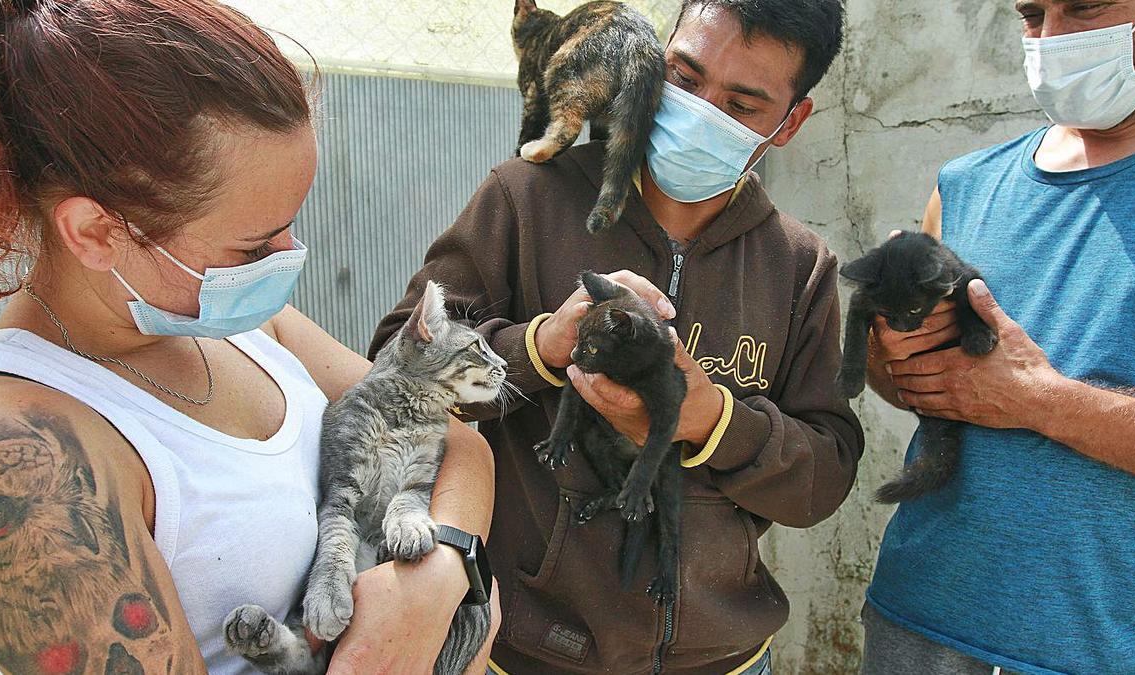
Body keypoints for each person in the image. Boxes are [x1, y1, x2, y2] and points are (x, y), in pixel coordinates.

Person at [0, 1, 498, 673]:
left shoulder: (242, 325)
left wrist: (439, 573)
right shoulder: (25, 451)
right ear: (95, 232)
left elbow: (457, 443)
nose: (289, 257)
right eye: (255, 245)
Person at [370, 0, 864, 672]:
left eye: (742, 104)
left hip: (727, 657)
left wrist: (710, 419)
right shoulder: (526, 197)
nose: (697, 111)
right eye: (684, 79)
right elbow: (393, 371)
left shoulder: (799, 266)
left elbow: (825, 474)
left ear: (790, 122)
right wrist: (540, 347)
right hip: (530, 650)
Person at [861, 0, 1135, 673]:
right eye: (1033, 15)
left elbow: (1008, 394)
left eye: (1086, 7)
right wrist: (889, 345)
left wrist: (1045, 401)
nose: (1052, 38)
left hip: (1112, 650)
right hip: (915, 627)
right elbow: (922, 389)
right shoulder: (967, 185)